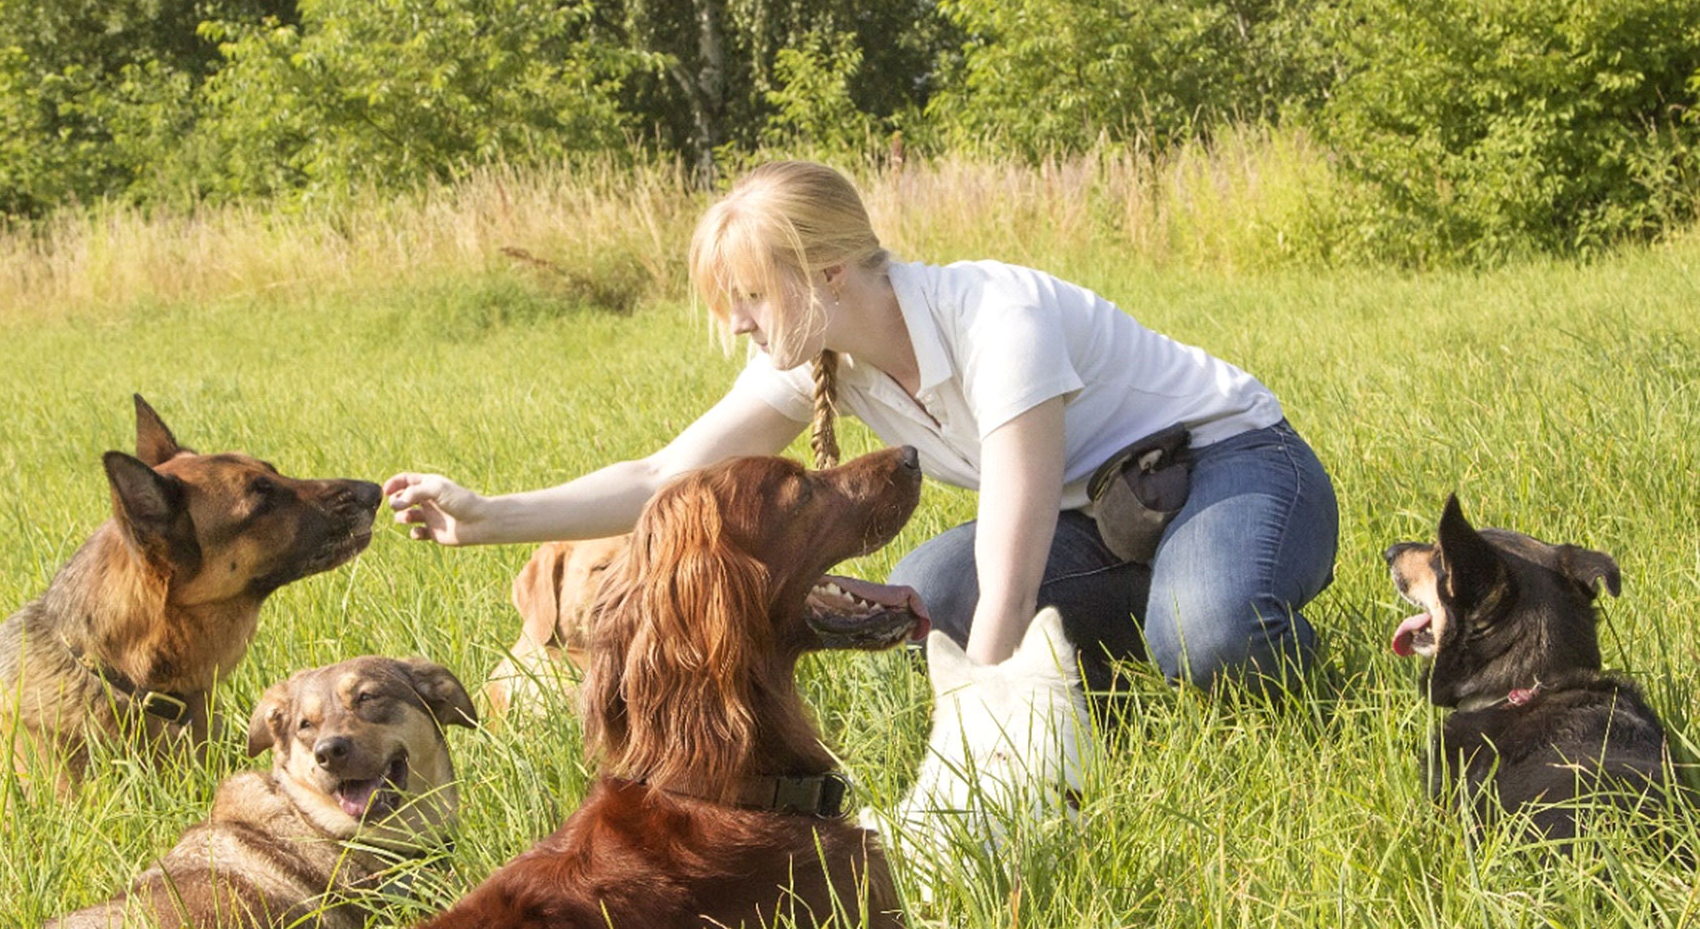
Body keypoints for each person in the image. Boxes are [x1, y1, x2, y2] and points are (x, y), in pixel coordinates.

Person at [384, 160, 1338, 688]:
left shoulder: (997, 317)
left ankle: (1262, 643)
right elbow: (662, 477)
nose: (739, 324)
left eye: (751, 296)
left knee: (1208, 639)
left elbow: (1018, 514)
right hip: (1106, 515)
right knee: (924, 598)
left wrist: (987, 700)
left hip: (1233, 465)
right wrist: (484, 514)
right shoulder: (816, 362)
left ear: (830, 277)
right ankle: (1152, 635)